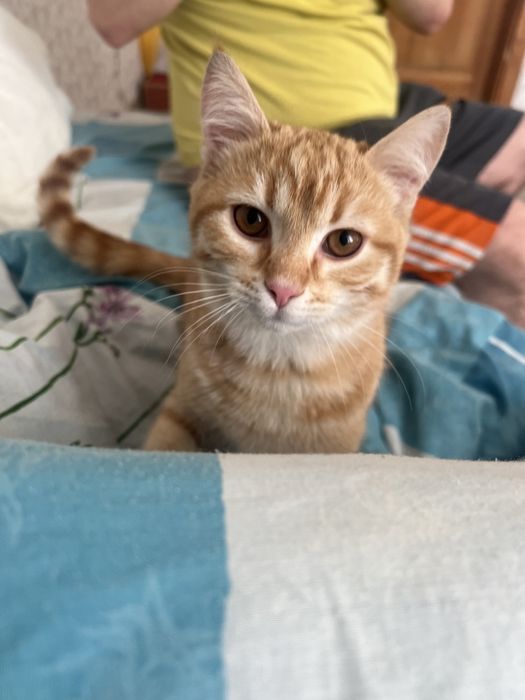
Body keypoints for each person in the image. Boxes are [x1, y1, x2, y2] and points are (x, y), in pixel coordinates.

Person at [88, 0, 525, 327]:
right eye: (251, 223)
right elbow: (113, 19)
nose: (284, 283)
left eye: (341, 243)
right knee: (517, 253)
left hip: (393, 112)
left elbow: (432, 14)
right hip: (272, 140)